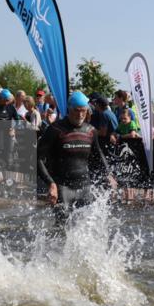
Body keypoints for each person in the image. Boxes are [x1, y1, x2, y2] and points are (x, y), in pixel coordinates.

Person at [37, 92, 114, 224]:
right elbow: (38, 158)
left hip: (84, 186)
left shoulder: (91, 131)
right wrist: (51, 184)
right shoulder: (55, 129)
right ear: (69, 109)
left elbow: (98, 154)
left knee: (88, 227)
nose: (80, 115)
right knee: (62, 227)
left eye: (83, 111)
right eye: (76, 111)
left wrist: (108, 174)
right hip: (62, 187)